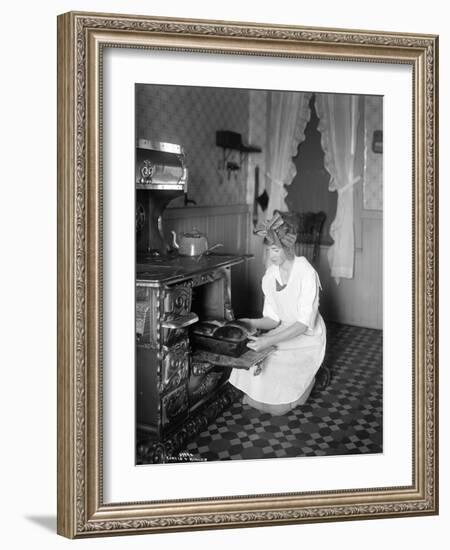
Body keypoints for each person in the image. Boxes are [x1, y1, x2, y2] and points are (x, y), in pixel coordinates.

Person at [228, 211, 326, 416]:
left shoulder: (306, 273)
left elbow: (302, 324)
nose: (271, 256)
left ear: (288, 247)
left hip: (307, 336)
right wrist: (248, 322)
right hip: (284, 329)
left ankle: (309, 381)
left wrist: (266, 342)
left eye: (275, 250)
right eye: (268, 251)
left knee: (278, 409)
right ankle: (269, 396)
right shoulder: (270, 276)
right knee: (254, 359)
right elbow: (273, 319)